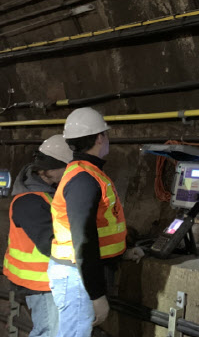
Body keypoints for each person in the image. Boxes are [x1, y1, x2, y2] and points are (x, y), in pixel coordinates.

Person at [48, 107, 142, 337]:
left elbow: (99, 230)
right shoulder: (84, 179)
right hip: (77, 277)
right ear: (100, 137)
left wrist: (122, 252)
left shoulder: (87, 173)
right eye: (106, 134)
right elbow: (84, 240)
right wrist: (97, 295)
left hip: (78, 273)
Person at [3, 134, 73, 337]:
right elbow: (50, 243)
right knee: (49, 332)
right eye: (67, 168)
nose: (71, 174)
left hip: (49, 280)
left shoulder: (47, 194)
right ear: (50, 169)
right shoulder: (29, 201)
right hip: (42, 284)